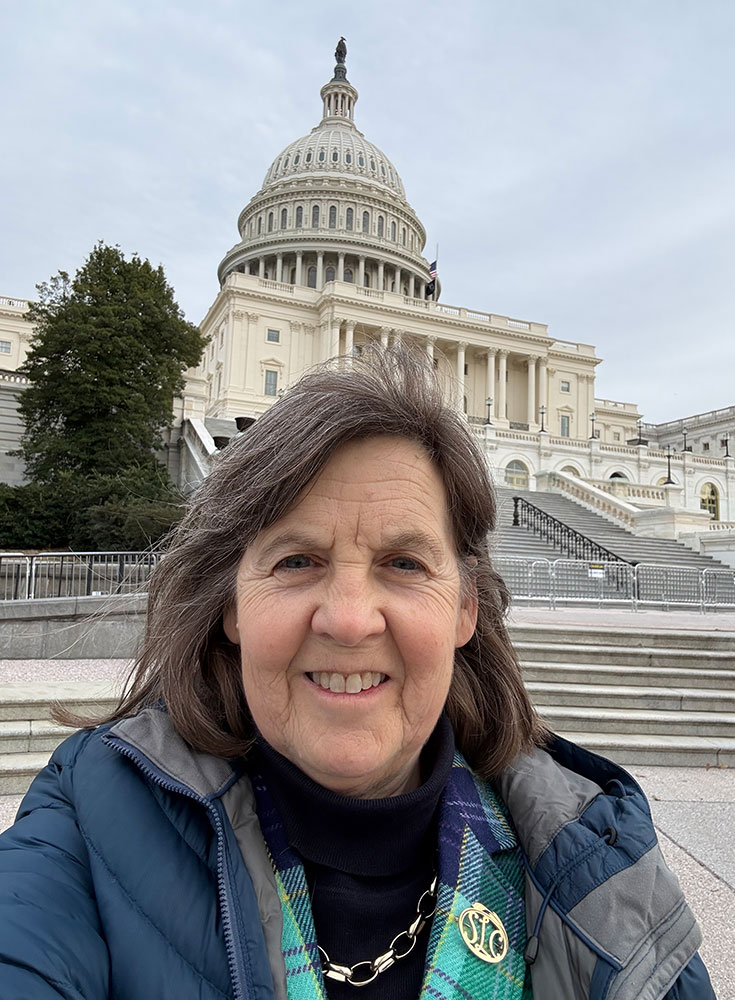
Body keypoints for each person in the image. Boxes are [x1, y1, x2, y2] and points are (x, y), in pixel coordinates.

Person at [0, 346, 715, 1000]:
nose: (348, 620)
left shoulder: (601, 862)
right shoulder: (89, 813)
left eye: (403, 564)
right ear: (231, 607)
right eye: (296, 561)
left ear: (465, 607)